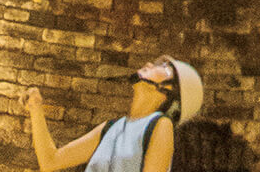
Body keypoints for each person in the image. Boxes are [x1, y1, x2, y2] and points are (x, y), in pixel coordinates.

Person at [24, 55, 203, 171]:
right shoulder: (112, 128)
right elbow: (50, 161)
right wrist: (36, 107)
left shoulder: (160, 125)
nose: (149, 63)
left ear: (169, 91)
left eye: (164, 67)